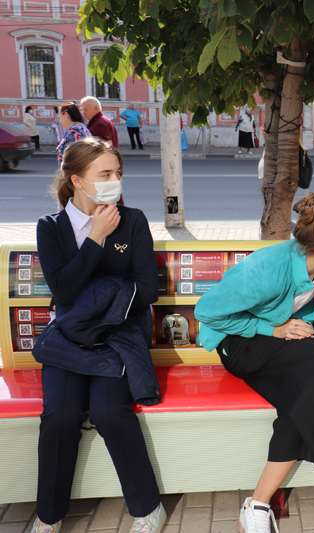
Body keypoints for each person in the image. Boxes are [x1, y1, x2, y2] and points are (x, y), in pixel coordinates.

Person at [193, 192, 314, 533]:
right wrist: (273, 329)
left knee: (306, 395)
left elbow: (304, 308)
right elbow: (206, 312)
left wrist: (293, 328)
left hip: (279, 341)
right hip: (239, 343)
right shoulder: (269, 268)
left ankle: (257, 504)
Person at [31, 137, 165, 533]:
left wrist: (93, 301)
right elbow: (63, 290)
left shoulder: (133, 220)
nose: (114, 181)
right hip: (68, 336)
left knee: (109, 411)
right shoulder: (52, 227)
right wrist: (95, 238)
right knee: (59, 414)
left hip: (118, 336)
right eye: (104, 174)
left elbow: (148, 289)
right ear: (77, 180)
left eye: (117, 173)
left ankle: (148, 507)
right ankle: (49, 516)